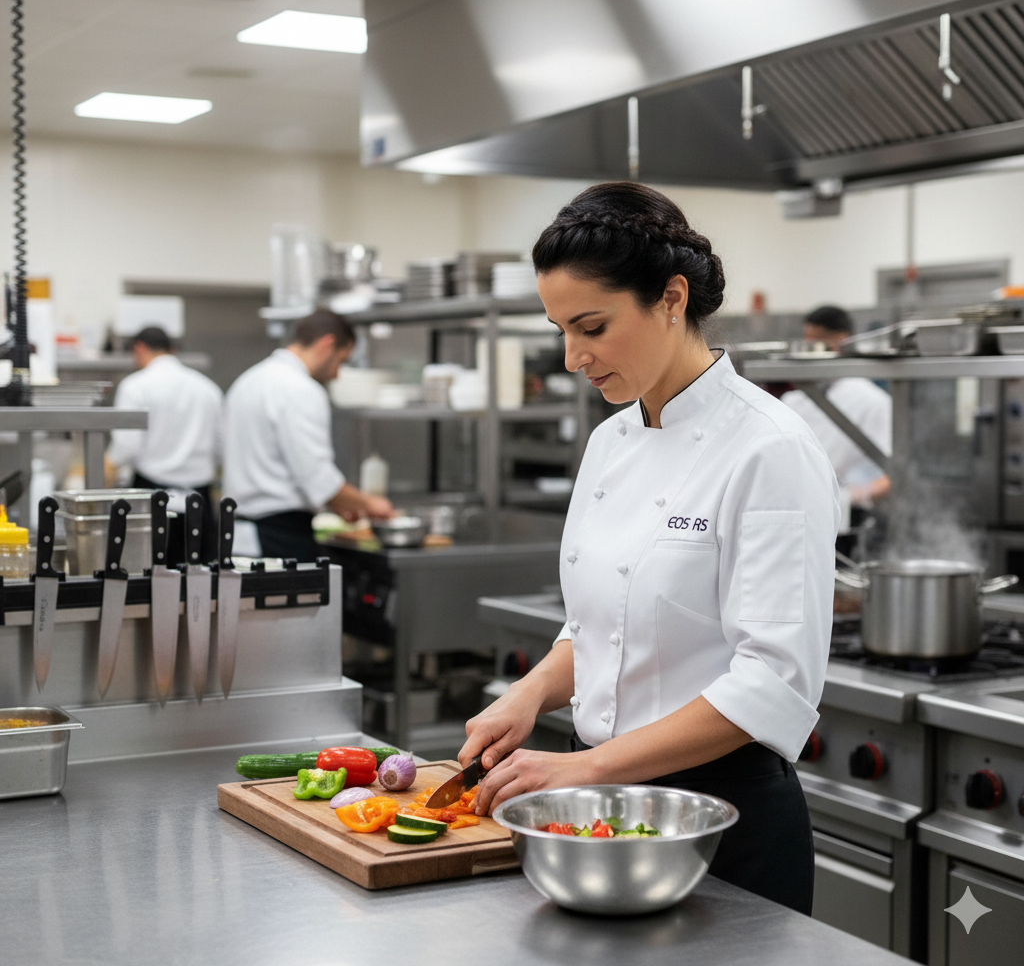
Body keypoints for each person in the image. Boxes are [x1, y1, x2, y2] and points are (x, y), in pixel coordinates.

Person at [459, 182, 839, 914]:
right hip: (598, 804)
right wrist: (531, 692)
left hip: (716, 821)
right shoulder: (609, 442)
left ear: (670, 298)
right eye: (560, 330)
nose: (572, 357)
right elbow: (607, 625)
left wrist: (591, 767)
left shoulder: (771, 448)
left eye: (592, 327)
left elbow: (772, 683)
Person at [223, 308, 394, 561]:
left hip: (237, 535)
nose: (337, 374)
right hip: (281, 538)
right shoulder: (301, 390)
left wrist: (339, 504)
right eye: (341, 361)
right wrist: (370, 504)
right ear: (327, 344)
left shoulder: (248, 380)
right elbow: (317, 478)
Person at [106, 325, 223, 563]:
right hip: (198, 501)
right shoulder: (208, 388)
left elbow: (125, 448)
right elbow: (221, 450)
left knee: (150, 584)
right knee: (198, 585)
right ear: (172, 350)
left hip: (150, 498)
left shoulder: (135, 386)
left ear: (139, 348)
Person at [781, 305, 892, 545]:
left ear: (840, 342)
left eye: (815, 343)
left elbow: (891, 478)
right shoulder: (795, 399)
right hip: (796, 516)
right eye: (806, 342)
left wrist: (849, 496)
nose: (808, 350)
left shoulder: (872, 401)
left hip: (851, 522)